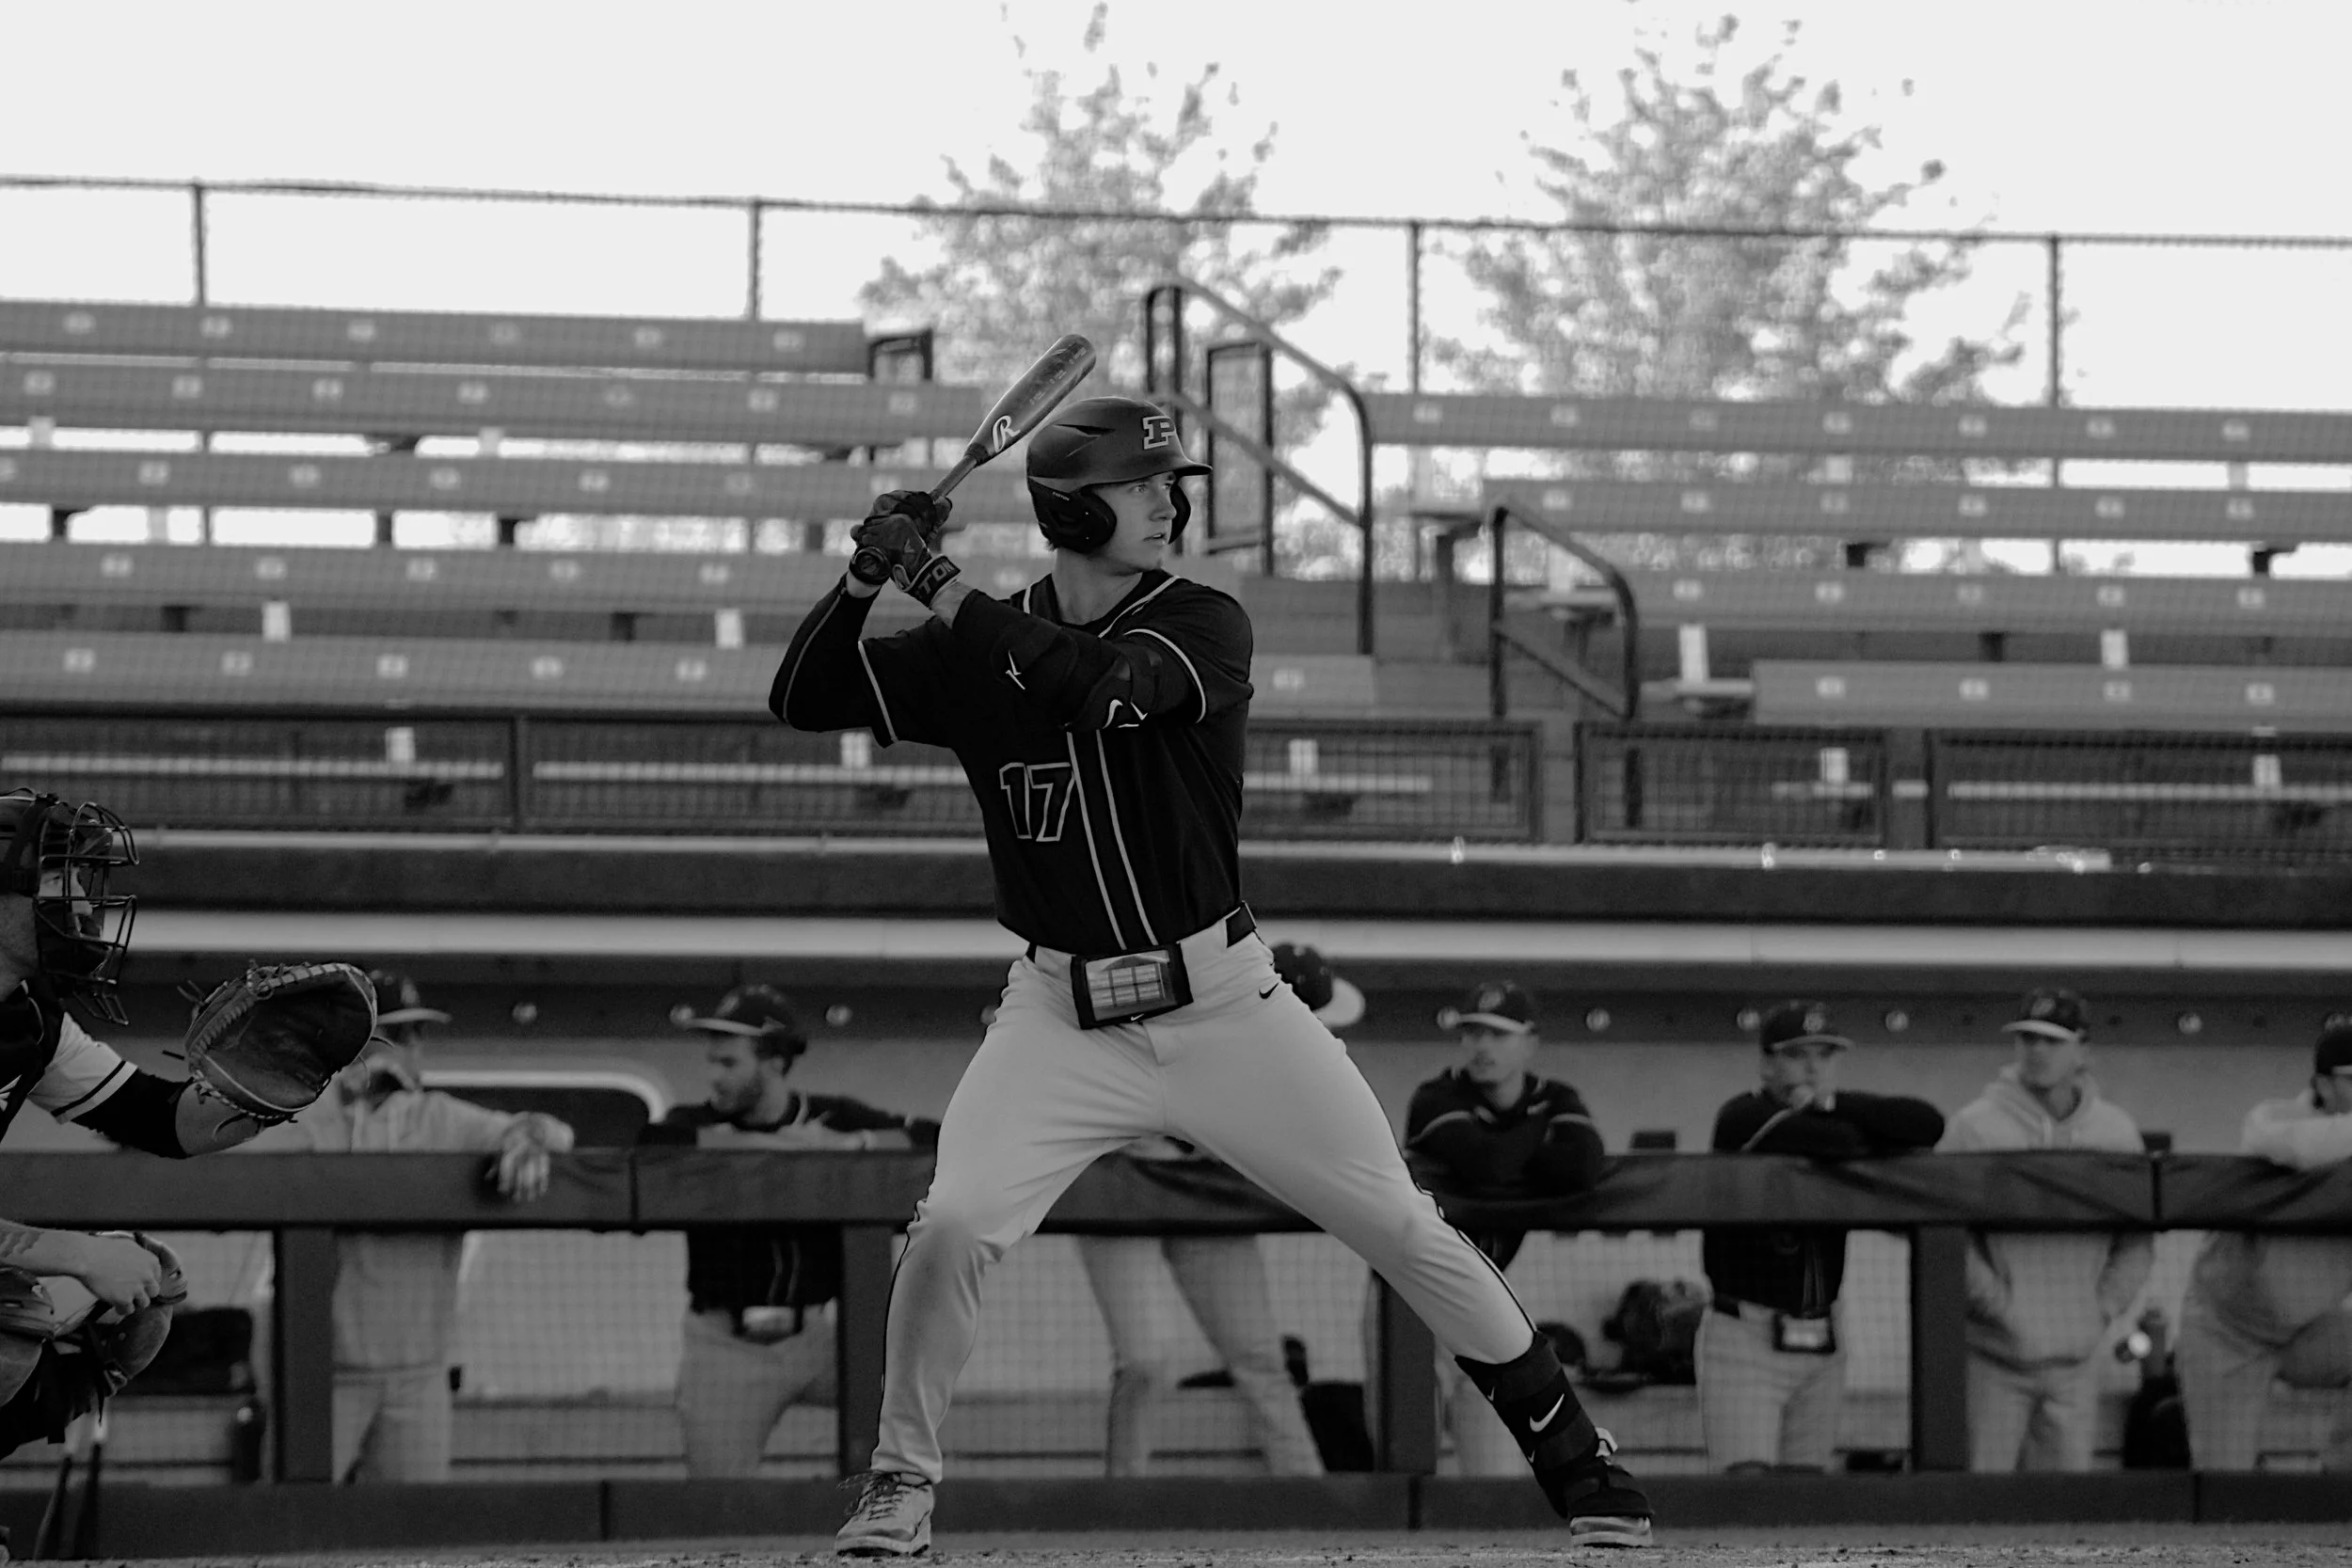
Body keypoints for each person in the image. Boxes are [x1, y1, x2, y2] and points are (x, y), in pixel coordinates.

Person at [771, 396, 1650, 1553]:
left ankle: (1584, 1467)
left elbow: (1095, 687)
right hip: (1057, 1011)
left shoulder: (1201, 618)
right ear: (1069, 505)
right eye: (1139, 487)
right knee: (954, 1223)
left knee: (1401, 1221)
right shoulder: (978, 636)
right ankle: (899, 1479)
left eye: (1165, 483)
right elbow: (804, 696)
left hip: (1225, 1001)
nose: (1167, 500)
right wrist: (859, 582)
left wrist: (935, 584)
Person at [0, 787, 382, 1458]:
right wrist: (82, 1254)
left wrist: (266, 1087)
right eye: (61, 882)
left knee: (144, 1289)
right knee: (12, 1317)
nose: (83, 905)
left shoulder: (28, 1019)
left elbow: (164, 1120)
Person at [1072, 942, 1359, 1478]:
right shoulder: (1182, 1008)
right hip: (1118, 1185)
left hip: (1204, 1197)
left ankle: (1311, 1505)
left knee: (1260, 1360)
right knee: (1147, 1361)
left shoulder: (1295, 1067)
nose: (1316, 1032)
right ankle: (1122, 1507)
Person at [277, 968, 576, 1483]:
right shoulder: (312, 1112)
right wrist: (348, 1096)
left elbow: (555, 1132)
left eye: (417, 1034)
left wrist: (531, 1136)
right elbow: (250, 1145)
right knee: (291, 1529)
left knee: (412, 1544)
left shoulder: (440, 1118)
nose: (410, 1047)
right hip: (321, 1371)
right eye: (394, 1033)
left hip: (419, 1374)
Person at [640, 983, 940, 1479]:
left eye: (729, 1064)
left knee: (907, 1417)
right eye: (711, 1062)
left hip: (818, 1338)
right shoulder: (692, 1122)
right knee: (720, 1505)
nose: (714, 1077)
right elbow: (653, 1144)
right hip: (726, 1348)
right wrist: (786, 1150)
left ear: (775, 1063)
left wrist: (853, 1143)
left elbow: (930, 1137)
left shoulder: (834, 1117)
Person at [1699, 1001, 1943, 1474]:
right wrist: (1848, 1119)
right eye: (1796, 1054)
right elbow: (1842, 1144)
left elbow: (1926, 1123)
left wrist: (1831, 1102)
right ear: (1767, 1061)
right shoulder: (1743, 1115)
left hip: (1824, 1335)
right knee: (1747, 1491)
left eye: (1825, 1054)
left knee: (1806, 1493)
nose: (1813, 1066)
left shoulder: (1833, 1109)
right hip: (1745, 1335)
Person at [1939, 988, 2153, 1471]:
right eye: (2028, 1039)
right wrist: (1997, 1303)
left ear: (2083, 1051)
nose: (2037, 1051)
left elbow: (2137, 1240)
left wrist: (2099, 1309)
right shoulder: (1974, 1126)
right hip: (1990, 1358)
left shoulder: (2115, 1132)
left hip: (2076, 1363)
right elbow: (1948, 1235)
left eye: (2052, 1041)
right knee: (1978, 1511)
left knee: (2068, 1516)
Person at [1402, 980, 1605, 1475]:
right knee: (1408, 1458)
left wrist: (1516, 1145)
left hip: (1486, 1300)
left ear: (1530, 1042)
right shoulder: (1436, 1096)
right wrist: (1540, 1140)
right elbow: (1484, 1165)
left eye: (1498, 1034)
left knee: (1496, 1471)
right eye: (1473, 1033)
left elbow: (1581, 1167)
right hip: (1410, 1303)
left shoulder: (1558, 1095)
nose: (1482, 1046)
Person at [2175, 1016, 2352, 1471]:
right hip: (2225, 1332)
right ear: (2324, 1085)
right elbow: (2292, 1145)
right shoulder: (2276, 1118)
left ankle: (2337, 1479)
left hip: (2306, 1332)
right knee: (2223, 1488)